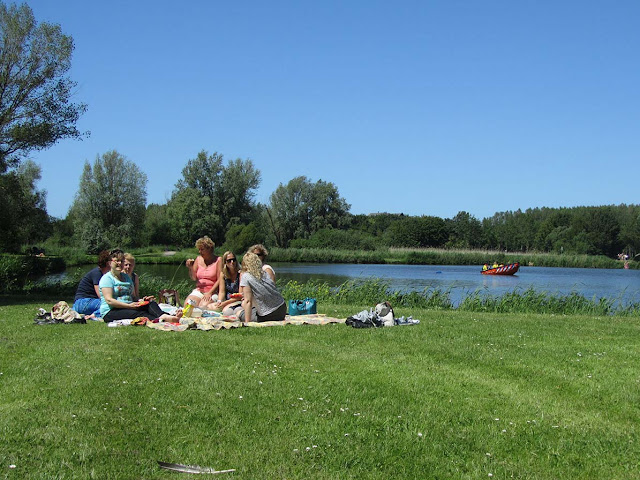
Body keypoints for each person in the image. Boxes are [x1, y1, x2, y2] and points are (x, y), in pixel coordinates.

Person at [99, 249, 182, 323]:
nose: (119, 263)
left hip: (128, 306)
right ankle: (161, 320)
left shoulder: (126, 277)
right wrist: (128, 306)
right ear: (110, 263)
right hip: (111, 311)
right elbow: (109, 300)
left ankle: (166, 316)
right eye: (116, 261)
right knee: (138, 313)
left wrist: (142, 300)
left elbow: (133, 297)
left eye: (122, 261)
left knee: (150, 303)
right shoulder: (107, 278)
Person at [238, 252, 286, 323]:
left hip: (268, 314)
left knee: (239, 313)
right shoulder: (265, 273)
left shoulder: (246, 276)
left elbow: (248, 301)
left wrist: (247, 323)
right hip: (281, 309)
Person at [184, 236, 222, 310]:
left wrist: (210, 293)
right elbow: (194, 278)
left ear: (209, 249)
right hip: (199, 290)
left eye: (202, 249)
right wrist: (190, 267)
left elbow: (220, 279)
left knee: (202, 307)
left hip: (212, 292)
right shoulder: (198, 259)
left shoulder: (218, 260)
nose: (200, 252)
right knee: (188, 306)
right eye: (199, 249)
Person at [73, 250, 111, 318]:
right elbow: (101, 295)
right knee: (109, 305)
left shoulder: (106, 274)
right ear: (108, 263)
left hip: (88, 302)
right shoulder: (97, 273)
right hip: (83, 302)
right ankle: (94, 315)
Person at [214, 251, 243, 316]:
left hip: (238, 300)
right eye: (229, 261)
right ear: (225, 263)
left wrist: (225, 303)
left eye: (234, 260)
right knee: (211, 306)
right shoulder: (223, 274)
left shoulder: (240, 273)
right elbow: (221, 292)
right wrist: (219, 301)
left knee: (226, 311)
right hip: (227, 300)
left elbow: (241, 295)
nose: (232, 262)